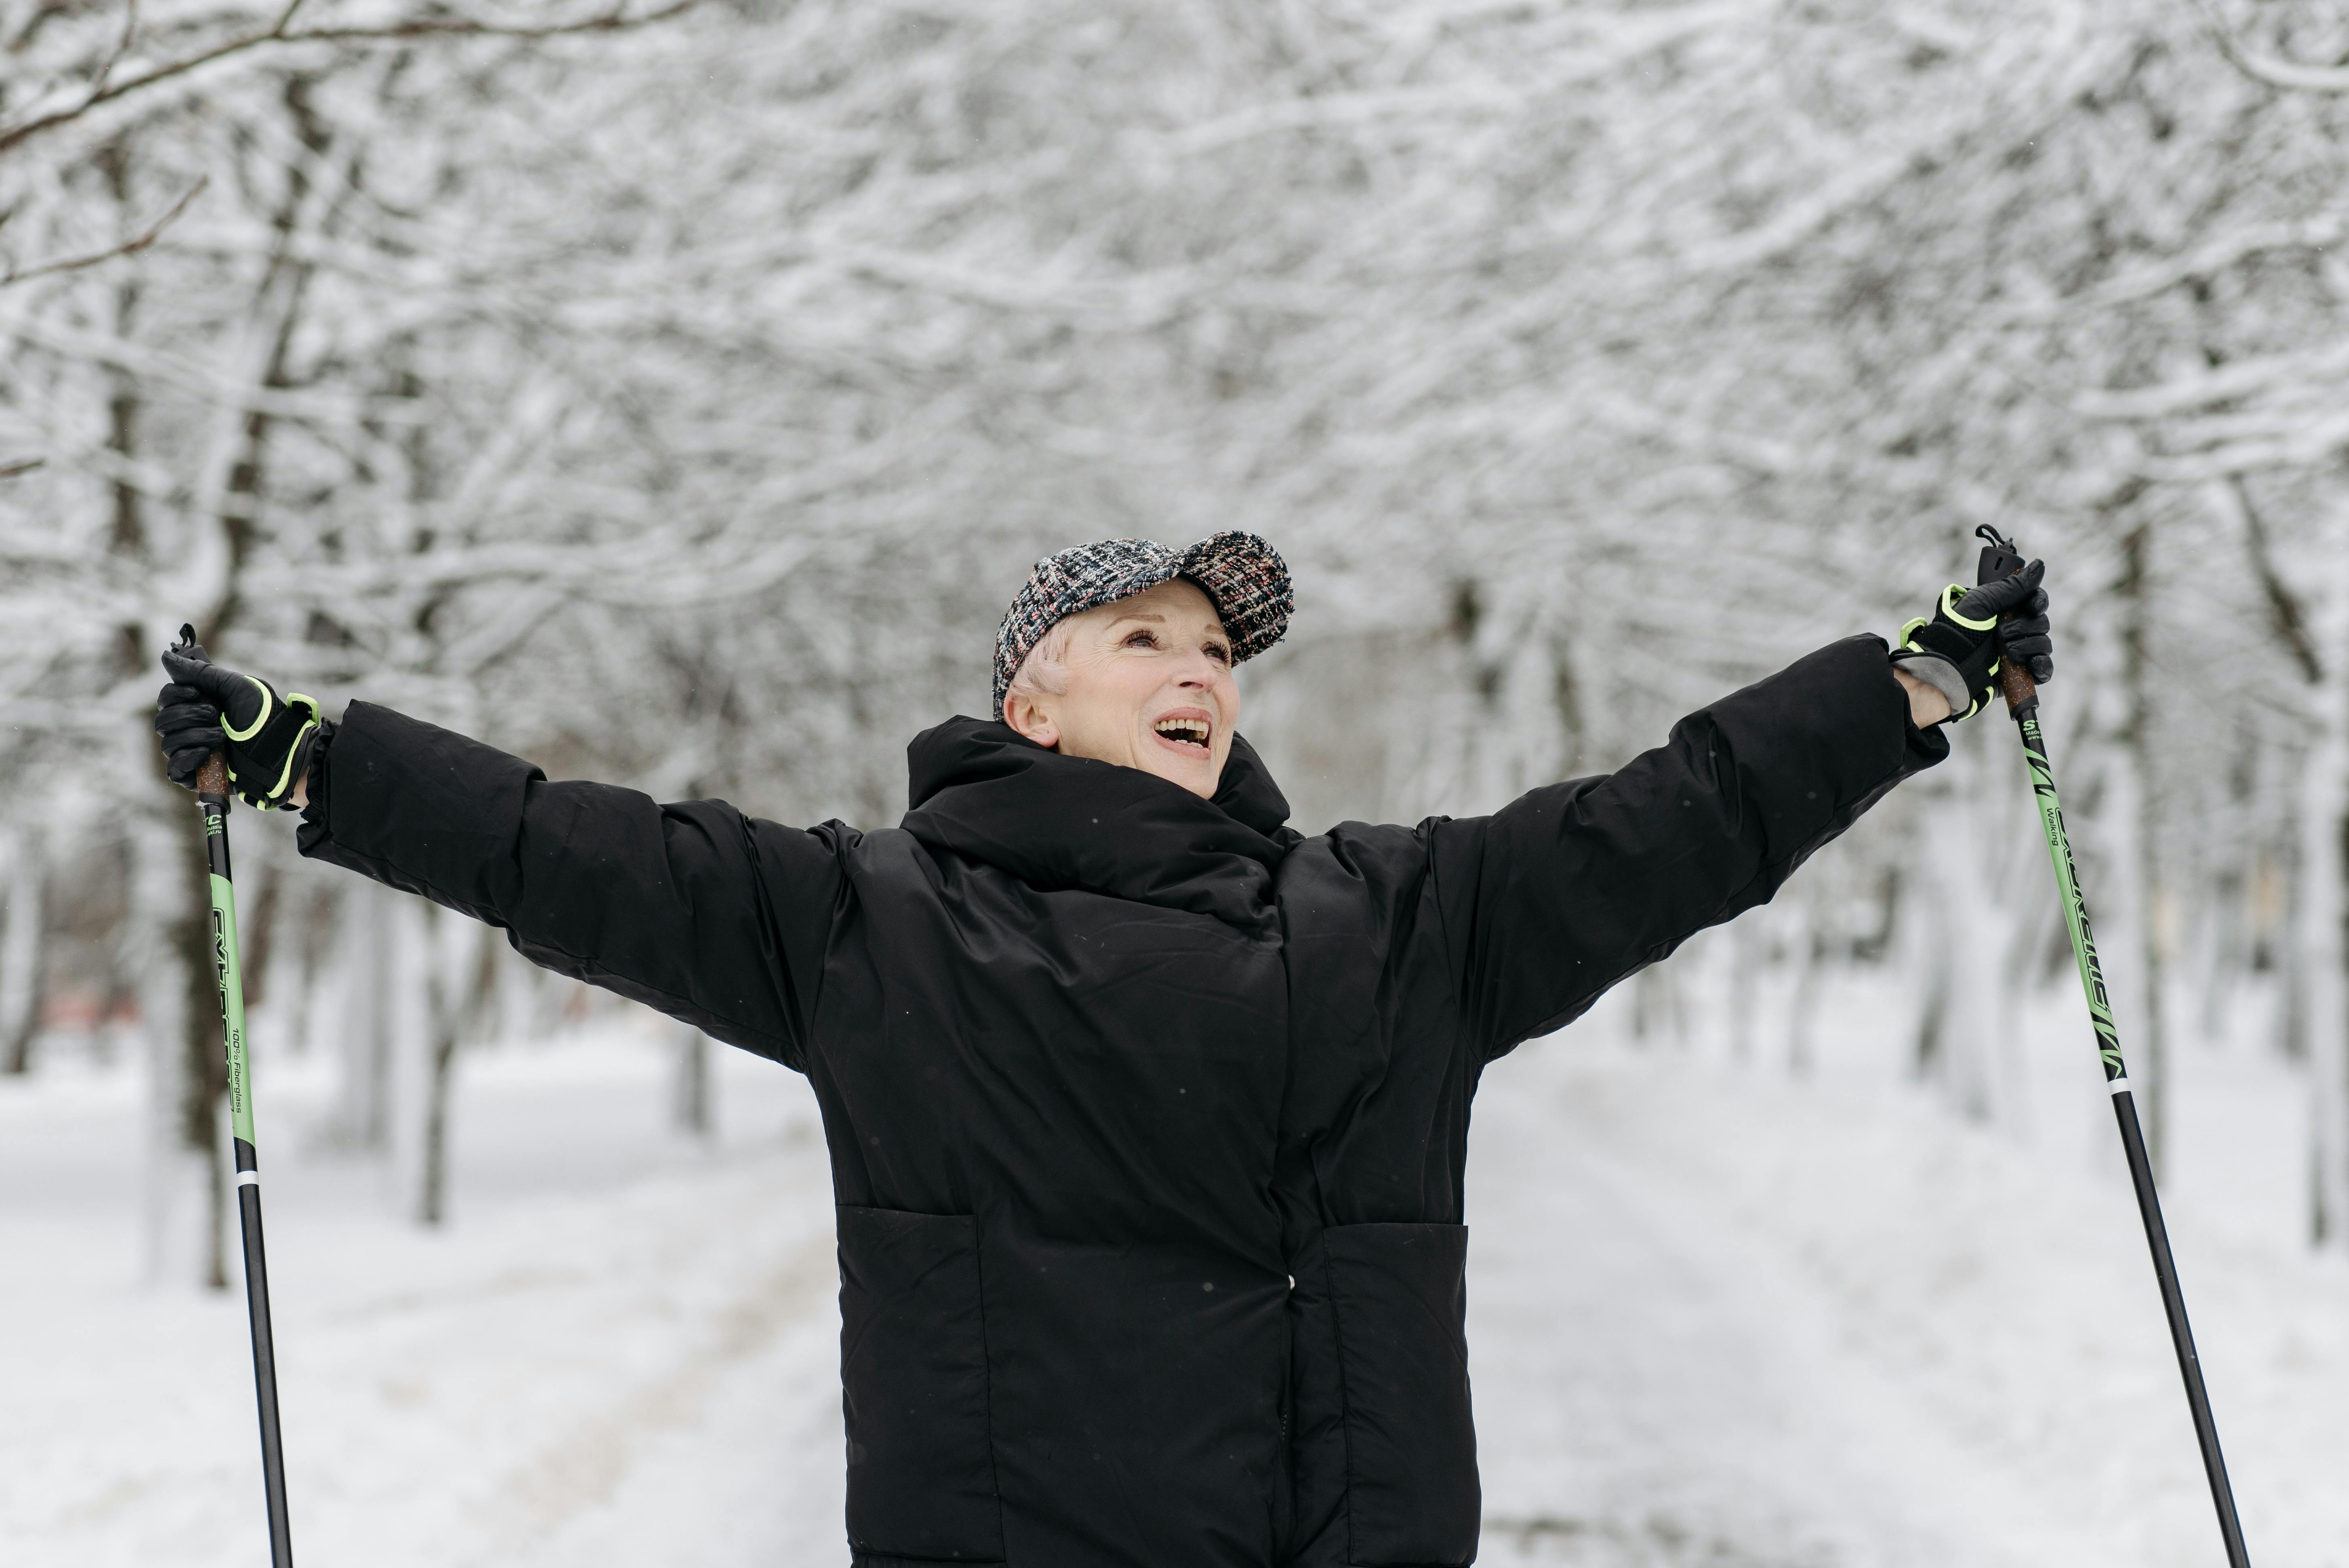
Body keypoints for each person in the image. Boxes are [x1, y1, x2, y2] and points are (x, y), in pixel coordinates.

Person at [154, 532, 2052, 1568]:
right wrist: (316, 758)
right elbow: (559, 846)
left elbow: (1678, 818)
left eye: (1221, 651)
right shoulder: (867, 924)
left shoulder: (1398, 923)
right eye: (1146, 634)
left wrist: (1915, 678)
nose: (1203, 668)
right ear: (1028, 692)